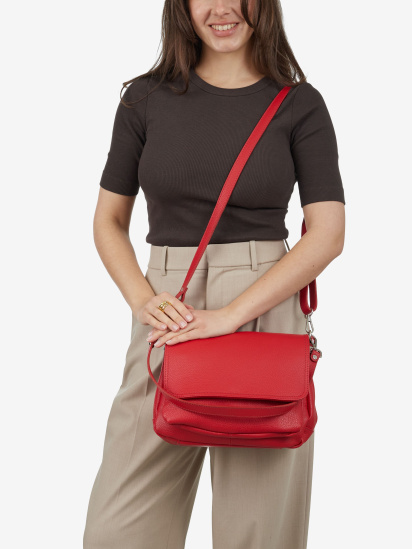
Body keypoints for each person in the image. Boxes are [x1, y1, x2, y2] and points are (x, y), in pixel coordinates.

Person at [83, 0, 346, 547]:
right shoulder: (144, 99)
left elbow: (327, 232)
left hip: (264, 304)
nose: (222, 9)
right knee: (116, 531)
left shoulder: (299, 104)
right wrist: (141, 298)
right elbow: (109, 220)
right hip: (168, 312)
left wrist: (230, 316)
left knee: (258, 529)